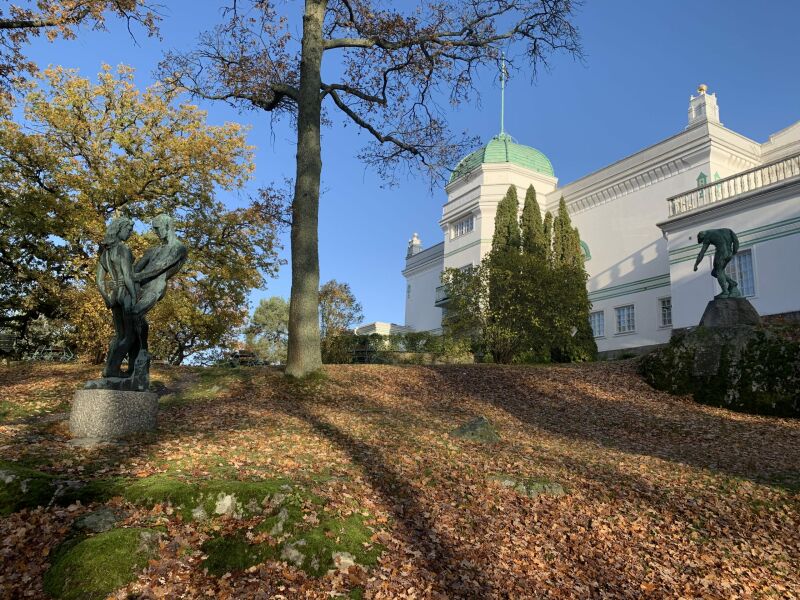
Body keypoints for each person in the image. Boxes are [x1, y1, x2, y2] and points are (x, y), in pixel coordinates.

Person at [132, 214, 188, 353]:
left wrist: (134, 277)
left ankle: (142, 352)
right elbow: (136, 268)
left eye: (157, 228)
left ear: (167, 226)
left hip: (155, 287)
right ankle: (137, 357)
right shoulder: (153, 250)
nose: (155, 232)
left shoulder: (179, 248)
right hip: (138, 286)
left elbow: (159, 268)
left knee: (135, 313)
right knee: (131, 317)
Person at [96, 216, 137, 378]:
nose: (130, 233)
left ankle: (108, 369)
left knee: (119, 335)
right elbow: (127, 276)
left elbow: (99, 281)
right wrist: (134, 297)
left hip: (113, 296)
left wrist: (107, 299)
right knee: (130, 335)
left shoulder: (104, 254)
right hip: (125, 293)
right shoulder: (123, 249)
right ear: (119, 230)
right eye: (128, 230)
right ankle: (113, 368)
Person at [693, 228, 741, 299]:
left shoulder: (707, 236)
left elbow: (702, 252)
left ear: (701, 236)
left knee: (718, 272)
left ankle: (725, 292)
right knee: (715, 272)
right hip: (729, 253)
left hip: (721, 254)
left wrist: (696, 264)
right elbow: (735, 240)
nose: (703, 241)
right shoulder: (726, 230)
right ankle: (732, 284)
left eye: (702, 240)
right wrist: (734, 251)